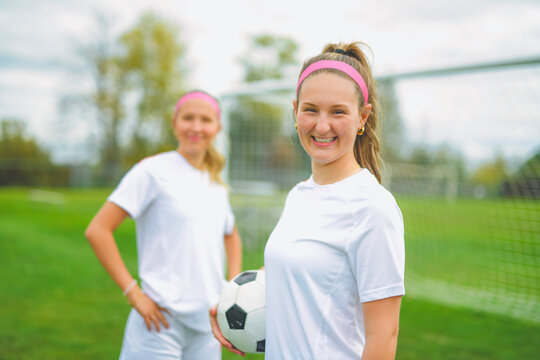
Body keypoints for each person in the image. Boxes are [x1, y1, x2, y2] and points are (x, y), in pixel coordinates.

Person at [211, 42, 405, 359]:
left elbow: (384, 335)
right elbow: (290, 269)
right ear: (295, 112)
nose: (322, 125)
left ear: (362, 118)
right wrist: (227, 302)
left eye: (338, 111)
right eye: (311, 109)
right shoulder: (299, 194)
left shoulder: (372, 208)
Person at [85, 90, 242, 360]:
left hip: (208, 323)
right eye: (188, 118)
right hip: (159, 321)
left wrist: (233, 290)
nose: (196, 127)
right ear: (174, 122)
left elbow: (231, 234)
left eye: (205, 120)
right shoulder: (152, 171)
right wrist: (133, 294)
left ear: (217, 127)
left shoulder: (215, 182)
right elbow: (98, 230)